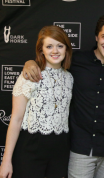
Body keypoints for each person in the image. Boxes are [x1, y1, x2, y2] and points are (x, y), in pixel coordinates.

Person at [20, 13, 104, 178]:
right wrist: (30, 63)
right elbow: (50, 59)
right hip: (80, 149)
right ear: (96, 37)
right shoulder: (75, 61)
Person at [0, 25, 73, 178]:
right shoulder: (30, 76)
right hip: (31, 148)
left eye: (60, 46)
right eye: (49, 46)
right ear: (41, 50)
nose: (55, 51)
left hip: (59, 151)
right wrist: (6, 160)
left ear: (66, 49)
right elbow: (16, 119)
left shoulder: (69, 78)